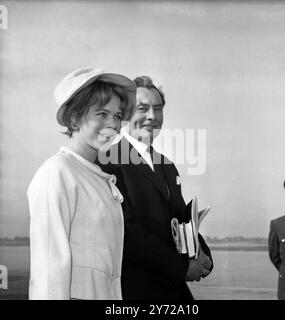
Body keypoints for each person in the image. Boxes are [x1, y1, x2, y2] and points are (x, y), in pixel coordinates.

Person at [96, 76, 213, 300]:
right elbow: (128, 233)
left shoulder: (167, 165)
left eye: (158, 109)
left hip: (173, 290)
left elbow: (180, 218)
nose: (152, 116)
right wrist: (182, 268)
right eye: (142, 108)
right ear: (124, 114)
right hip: (136, 291)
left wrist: (204, 256)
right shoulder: (108, 161)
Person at [27, 67, 136, 299]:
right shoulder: (57, 172)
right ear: (74, 118)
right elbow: (47, 273)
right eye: (102, 114)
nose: (114, 124)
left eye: (117, 116)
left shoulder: (95, 177)